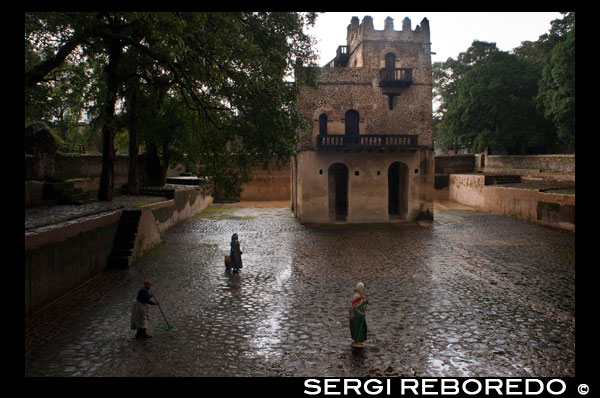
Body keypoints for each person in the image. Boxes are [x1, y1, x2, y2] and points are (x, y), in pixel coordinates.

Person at [349, 282, 368, 347]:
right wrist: (361, 314)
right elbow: (355, 308)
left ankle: (357, 340)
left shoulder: (358, 296)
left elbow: (360, 304)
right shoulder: (357, 296)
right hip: (356, 317)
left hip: (357, 316)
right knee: (357, 329)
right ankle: (357, 341)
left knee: (359, 328)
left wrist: (364, 303)